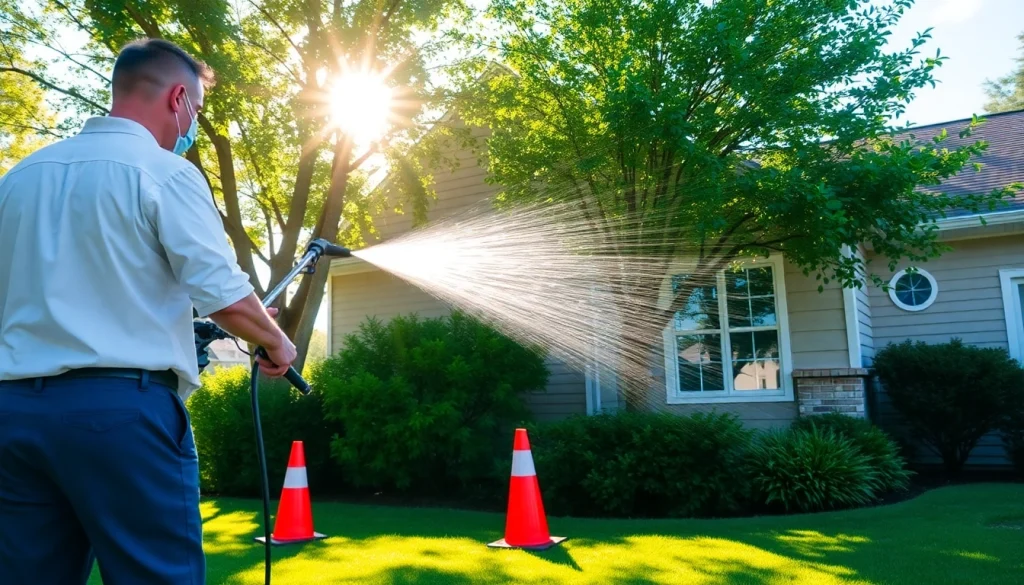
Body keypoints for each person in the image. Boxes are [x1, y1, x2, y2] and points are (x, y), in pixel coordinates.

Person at [0, 38, 297, 584]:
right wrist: (275, 342)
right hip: (121, 416)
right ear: (178, 98)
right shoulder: (163, 172)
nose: (192, 126)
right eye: (196, 111)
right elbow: (225, 293)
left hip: (14, 415)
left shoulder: (19, 178)